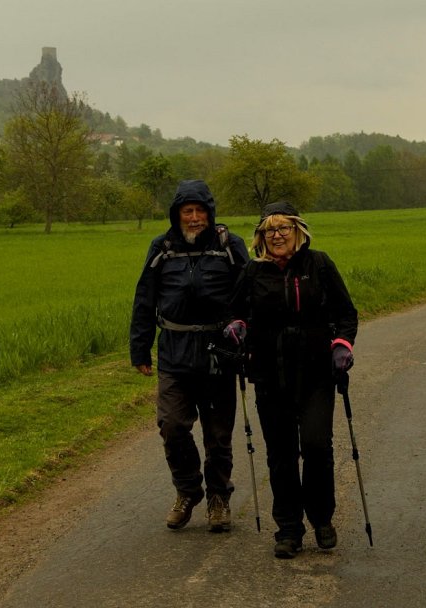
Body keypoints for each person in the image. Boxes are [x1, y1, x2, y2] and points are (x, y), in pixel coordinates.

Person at [227, 201, 358, 559]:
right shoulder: (253, 273)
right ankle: (288, 529)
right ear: (261, 237)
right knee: (281, 454)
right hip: (270, 374)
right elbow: (235, 311)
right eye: (270, 230)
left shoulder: (319, 264)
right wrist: (237, 327)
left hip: (316, 373)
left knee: (317, 446)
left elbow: (346, 313)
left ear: (298, 231)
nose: (277, 235)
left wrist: (342, 345)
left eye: (284, 228)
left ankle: (321, 519)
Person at [130, 179, 249, 533]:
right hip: (174, 354)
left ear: (210, 214)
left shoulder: (230, 246)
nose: (194, 218)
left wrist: (244, 336)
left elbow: (248, 297)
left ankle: (218, 497)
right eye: (187, 211)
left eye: (200, 211)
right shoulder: (162, 248)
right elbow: (144, 299)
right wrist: (140, 347)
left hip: (218, 354)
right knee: (172, 426)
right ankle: (188, 490)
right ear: (177, 214)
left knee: (218, 435)